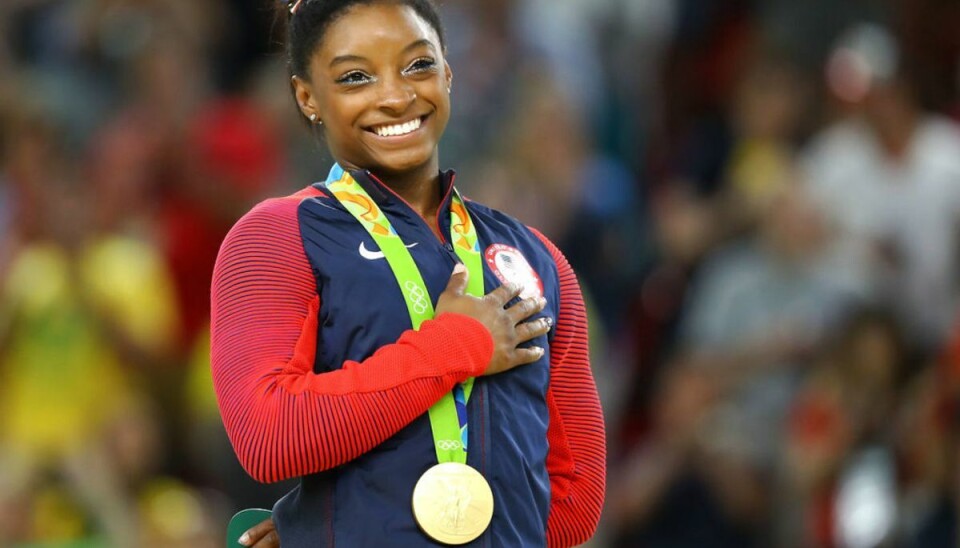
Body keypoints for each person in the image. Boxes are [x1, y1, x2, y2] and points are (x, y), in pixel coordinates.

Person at [209, 0, 606, 546]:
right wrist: (453, 347)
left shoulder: (535, 256)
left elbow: (574, 498)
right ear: (307, 96)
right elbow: (269, 436)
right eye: (355, 77)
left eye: (418, 65)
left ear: (449, 72)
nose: (396, 96)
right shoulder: (275, 237)